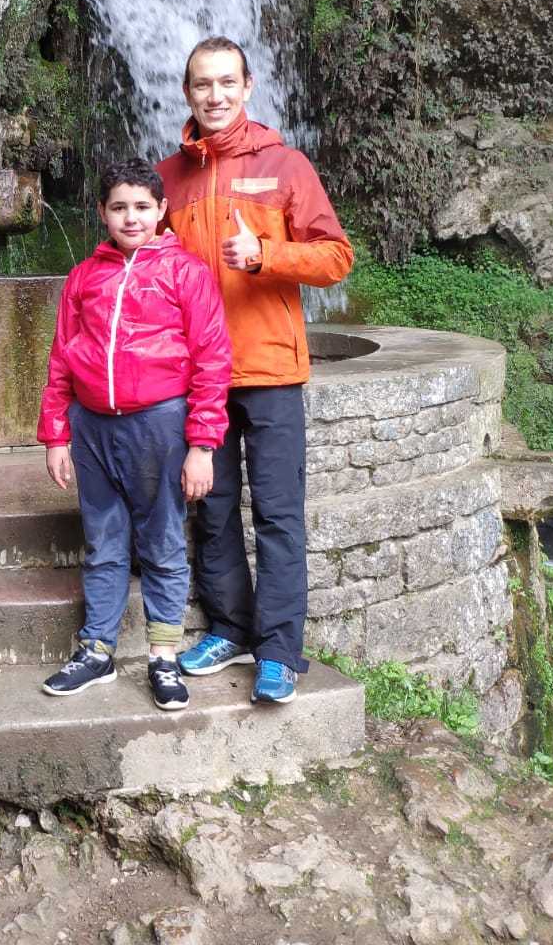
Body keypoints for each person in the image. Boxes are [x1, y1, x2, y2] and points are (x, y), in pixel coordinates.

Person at [156, 36, 354, 705]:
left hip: (269, 369)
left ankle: (277, 651)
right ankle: (230, 629)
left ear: (247, 88)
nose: (214, 95)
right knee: (212, 512)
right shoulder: (166, 178)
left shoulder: (285, 165)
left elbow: (335, 257)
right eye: (201, 84)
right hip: (198, 378)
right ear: (187, 93)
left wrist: (266, 253)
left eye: (225, 83)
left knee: (276, 514)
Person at [36, 158, 231, 710]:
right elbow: (62, 358)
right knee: (103, 541)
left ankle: (163, 656)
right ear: (102, 212)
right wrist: (56, 435)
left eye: (142, 207)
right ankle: (97, 650)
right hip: (93, 426)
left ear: (161, 209)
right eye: (119, 207)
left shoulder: (186, 272)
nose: (131, 218)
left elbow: (212, 360)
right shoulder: (84, 277)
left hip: (159, 423)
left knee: (163, 541)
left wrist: (202, 446)